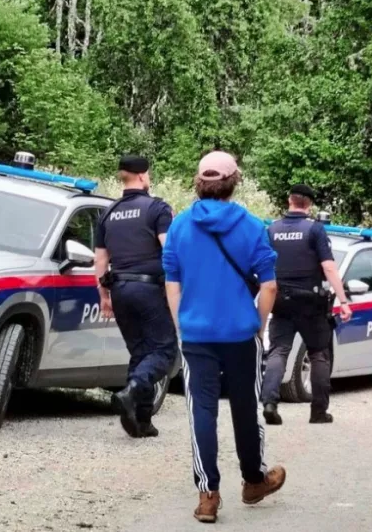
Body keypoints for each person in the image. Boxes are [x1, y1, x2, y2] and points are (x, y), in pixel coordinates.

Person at [162, 150, 284, 524]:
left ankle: (208, 496)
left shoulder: (180, 226)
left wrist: (182, 326)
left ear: (198, 183)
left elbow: (172, 283)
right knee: (246, 407)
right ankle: (253, 481)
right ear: (234, 183)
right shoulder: (252, 226)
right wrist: (258, 325)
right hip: (240, 334)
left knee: (201, 410)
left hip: (196, 336)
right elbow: (270, 287)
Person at [94, 154, 178, 439]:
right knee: (164, 351)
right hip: (149, 289)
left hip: (119, 289)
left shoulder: (109, 212)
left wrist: (104, 295)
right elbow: (170, 251)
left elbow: (100, 260)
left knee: (141, 353)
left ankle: (141, 420)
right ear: (143, 175)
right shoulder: (157, 208)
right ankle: (131, 391)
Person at [261, 184, 352, 426]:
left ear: (289, 200)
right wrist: (343, 300)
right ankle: (318, 412)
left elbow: (263, 265)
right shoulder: (315, 229)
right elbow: (329, 267)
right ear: (309, 204)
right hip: (311, 302)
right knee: (319, 353)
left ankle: (269, 403)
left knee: (278, 351)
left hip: (280, 299)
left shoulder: (272, 229)